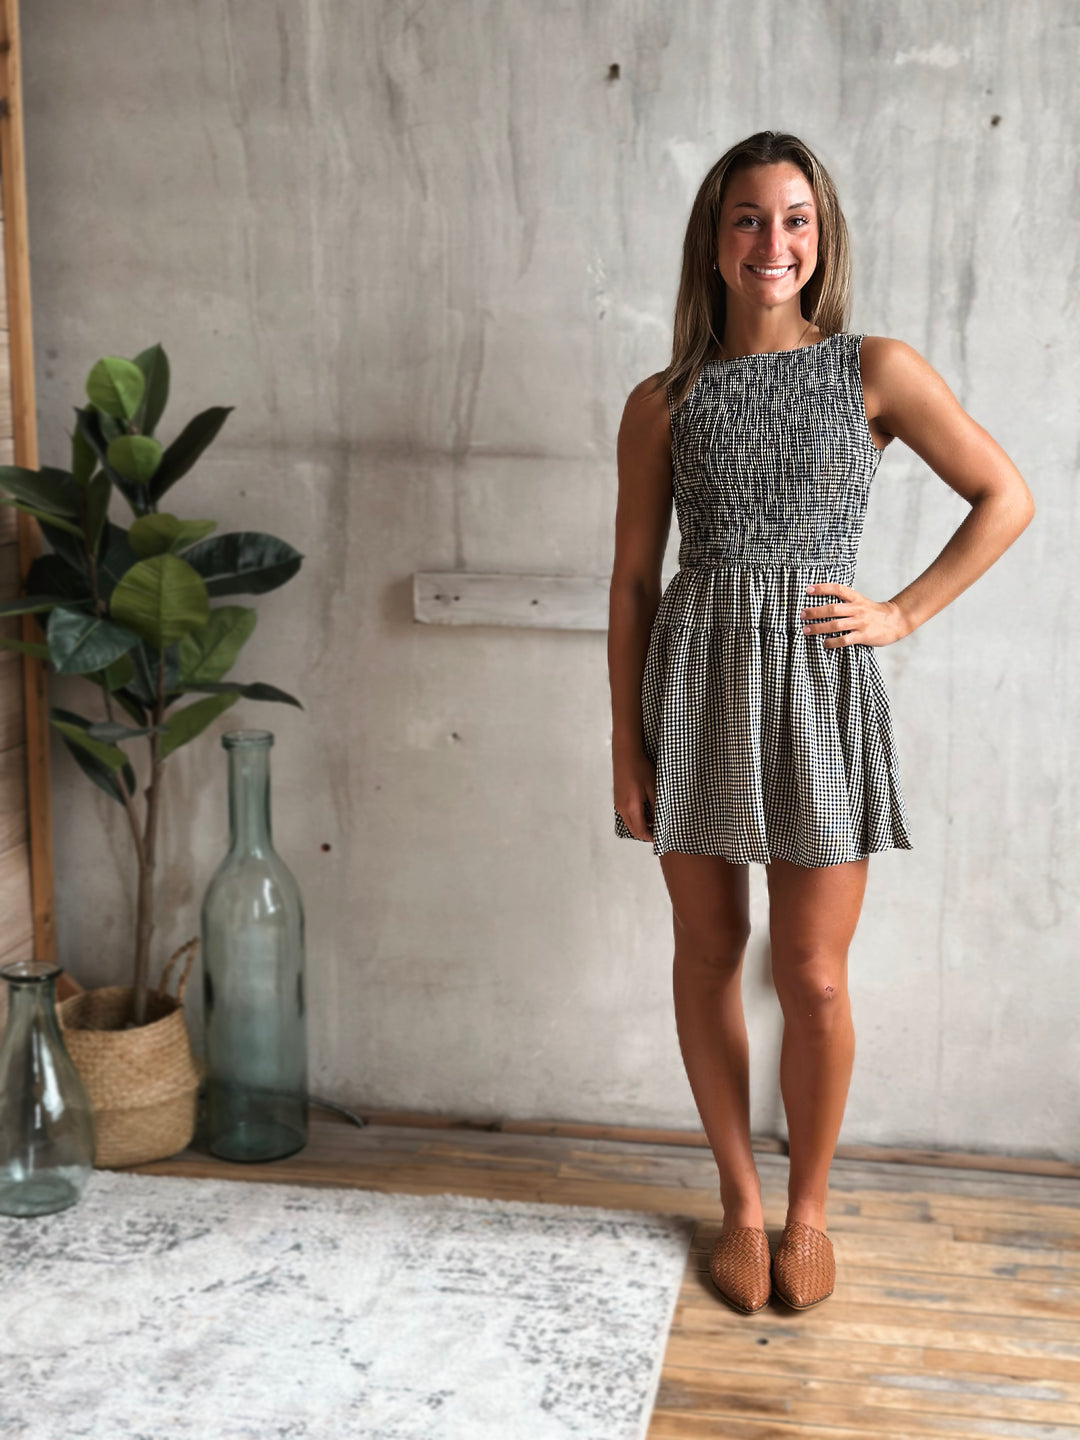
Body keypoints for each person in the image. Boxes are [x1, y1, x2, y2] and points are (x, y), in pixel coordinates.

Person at [607, 131, 1035, 1314]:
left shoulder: (872, 370)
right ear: (713, 237)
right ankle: (741, 1206)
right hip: (692, 689)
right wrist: (622, 742)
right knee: (705, 955)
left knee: (816, 977)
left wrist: (903, 610)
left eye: (795, 219)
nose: (773, 242)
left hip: (817, 690)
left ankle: (810, 1214)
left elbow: (1009, 496)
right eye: (749, 218)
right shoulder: (663, 400)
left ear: (823, 236)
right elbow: (635, 582)